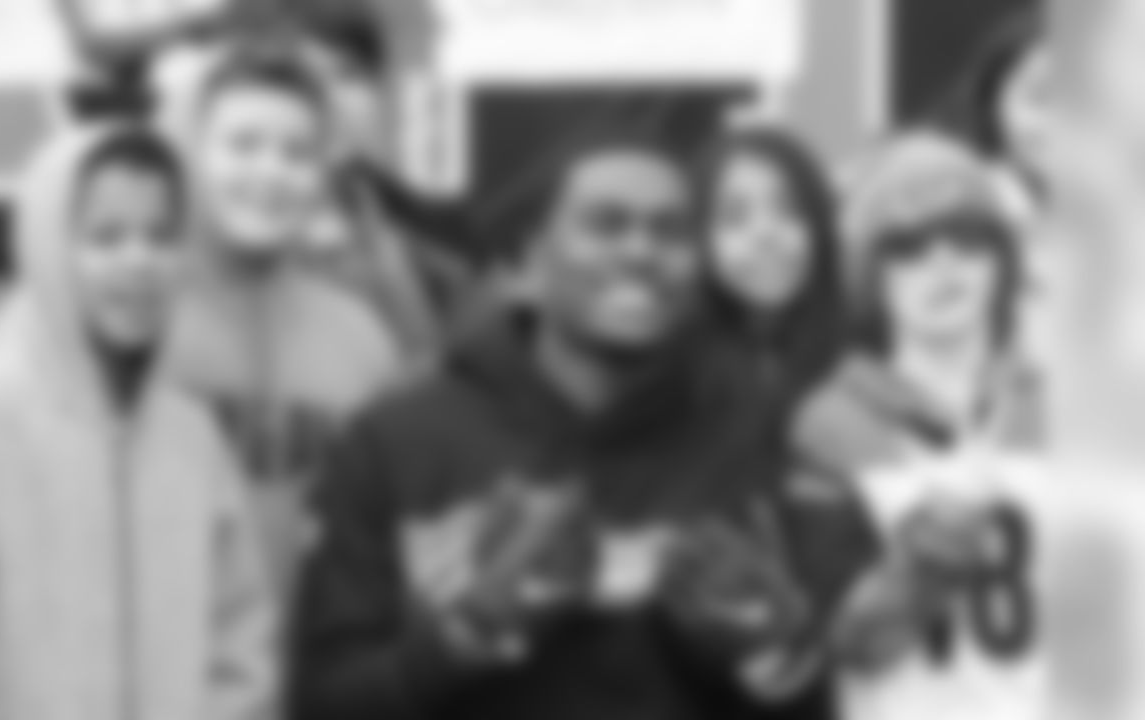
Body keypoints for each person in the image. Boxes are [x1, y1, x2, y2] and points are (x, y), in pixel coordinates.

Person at [292, 130, 945, 720]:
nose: (640, 251)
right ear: (527, 265)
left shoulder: (757, 436)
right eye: (605, 225)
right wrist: (460, 639)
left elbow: (826, 693)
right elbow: (322, 699)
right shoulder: (395, 441)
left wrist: (771, 651)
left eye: (672, 232)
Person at [0, 124, 275, 720]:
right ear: (46, 248)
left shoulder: (191, 436)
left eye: (161, 236)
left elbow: (240, 633)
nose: (139, 261)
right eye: (105, 238)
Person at [794, 134, 1044, 720]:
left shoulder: (1075, 405)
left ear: (1003, 259)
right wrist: (927, 559)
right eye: (907, 245)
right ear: (869, 275)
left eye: (969, 237)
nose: (943, 262)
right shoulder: (830, 423)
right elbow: (846, 646)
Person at [167, 49, 429, 592]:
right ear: (189, 155)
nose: (270, 172)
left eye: (298, 153)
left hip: (312, 640)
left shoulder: (360, 339)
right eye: (243, 145)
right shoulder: (129, 316)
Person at [295, 7, 478, 334]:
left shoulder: (437, 236)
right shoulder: (211, 241)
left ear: (378, 92)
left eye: (347, 76)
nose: (327, 100)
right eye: (302, 80)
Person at [702, 127, 847, 417]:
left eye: (789, 209)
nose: (765, 233)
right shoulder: (673, 390)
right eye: (735, 216)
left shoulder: (866, 367)